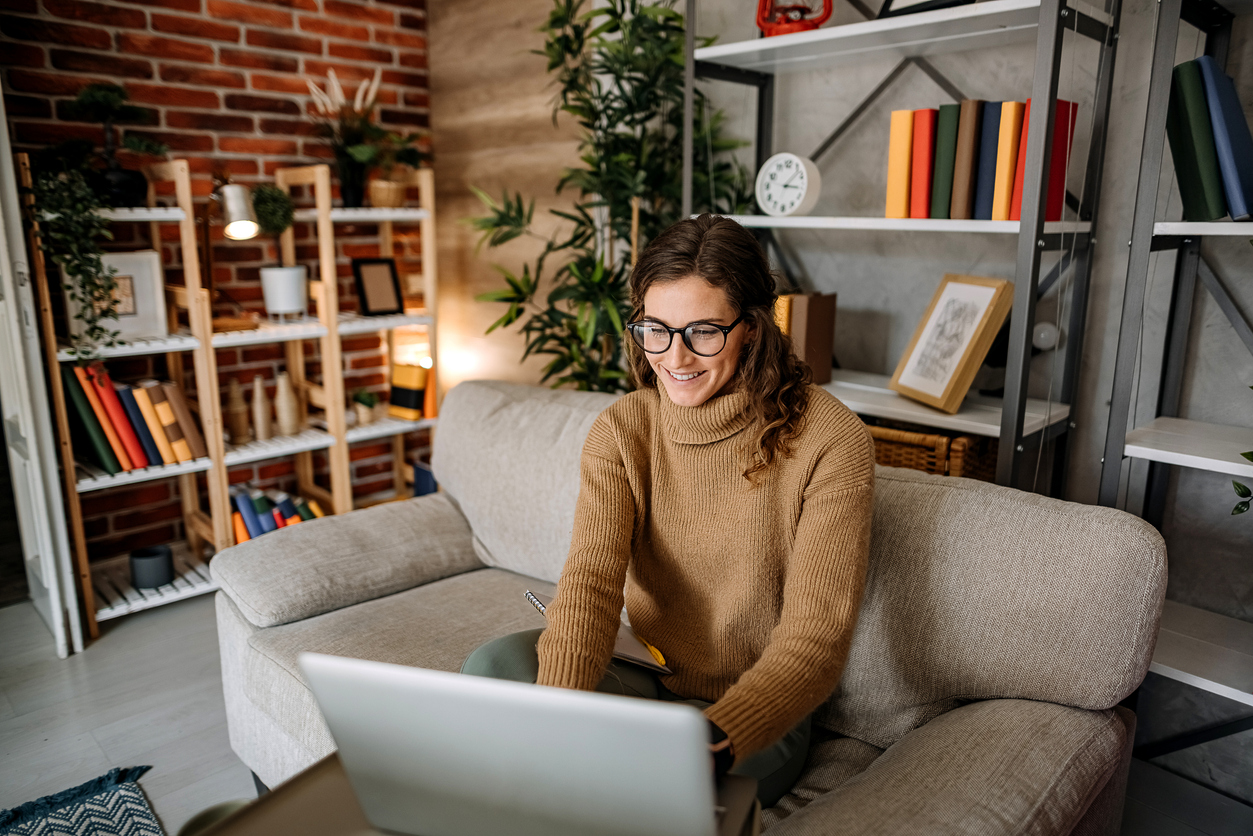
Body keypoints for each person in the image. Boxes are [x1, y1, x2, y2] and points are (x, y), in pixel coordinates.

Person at [461, 214, 875, 807]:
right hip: (650, 676)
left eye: (703, 331)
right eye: (655, 329)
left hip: (749, 717)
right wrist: (553, 716)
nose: (674, 356)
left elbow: (816, 638)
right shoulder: (623, 430)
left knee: (650, 779)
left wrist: (712, 742)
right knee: (494, 667)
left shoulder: (831, 440)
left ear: (752, 328)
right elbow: (590, 587)